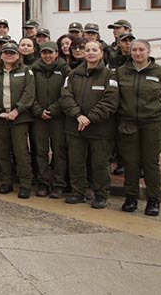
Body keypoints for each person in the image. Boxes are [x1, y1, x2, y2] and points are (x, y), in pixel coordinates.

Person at [116, 39, 161, 216]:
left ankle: (153, 199)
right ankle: (131, 196)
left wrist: (157, 111)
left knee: (151, 162)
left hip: (152, 123)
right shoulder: (121, 72)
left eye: (141, 50)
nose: (138, 53)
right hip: (128, 123)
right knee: (131, 162)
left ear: (149, 52)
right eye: (134, 50)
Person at [60, 40, 119, 208]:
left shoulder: (110, 75)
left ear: (101, 53)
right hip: (75, 127)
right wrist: (78, 115)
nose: (91, 53)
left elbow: (110, 101)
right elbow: (65, 96)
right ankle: (79, 192)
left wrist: (90, 118)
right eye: (88, 50)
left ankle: (101, 195)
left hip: (100, 129)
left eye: (94, 50)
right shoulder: (73, 74)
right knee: (76, 162)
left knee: (99, 164)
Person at [0, 42, 35, 198]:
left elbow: (29, 93)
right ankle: (6, 181)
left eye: (12, 53)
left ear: (17, 55)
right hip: (0, 118)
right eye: (6, 53)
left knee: (21, 152)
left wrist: (17, 110)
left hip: (19, 118)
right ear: (1, 55)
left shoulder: (26, 71)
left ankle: (25, 184)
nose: (9, 55)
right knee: (3, 152)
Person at [30, 41, 70, 198]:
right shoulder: (33, 70)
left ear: (56, 53)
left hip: (58, 117)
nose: (47, 56)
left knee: (59, 151)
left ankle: (59, 184)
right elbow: (28, 92)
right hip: (39, 117)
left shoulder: (65, 70)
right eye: (44, 53)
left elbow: (67, 93)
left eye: (50, 53)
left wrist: (54, 110)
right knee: (41, 151)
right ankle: (43, 182)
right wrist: (38, 111)